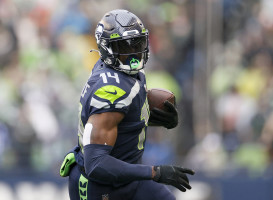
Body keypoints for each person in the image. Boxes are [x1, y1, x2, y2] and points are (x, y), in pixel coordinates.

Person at [60, 9, 194, 200]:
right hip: (100, 186)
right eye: (124, 47)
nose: (134, 53)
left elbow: (123, 117)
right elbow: (96, 163)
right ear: (107, 48)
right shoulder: (111, 90)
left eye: (137, 43)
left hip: (129, 179)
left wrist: (153, 117)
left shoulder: (122, 71)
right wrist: (154, 172)